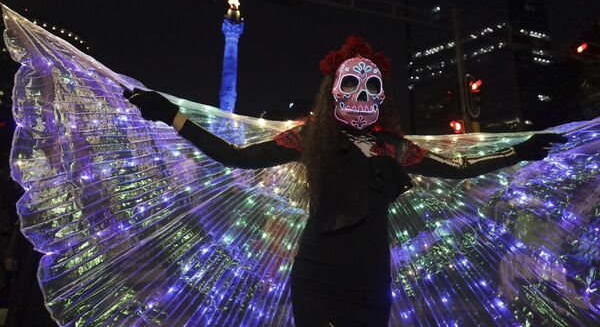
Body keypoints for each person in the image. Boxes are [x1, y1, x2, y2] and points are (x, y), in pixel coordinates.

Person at [126, 35, 565, 327]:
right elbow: (234, 157)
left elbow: (461, 169)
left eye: (370, 87)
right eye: (350, 84)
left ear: (382, 96)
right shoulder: (309, 138)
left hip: (370, 281)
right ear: (333, 90)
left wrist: (519, 149)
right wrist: (172, 115)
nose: (360, 96)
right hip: (316, 275)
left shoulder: (393, 148)